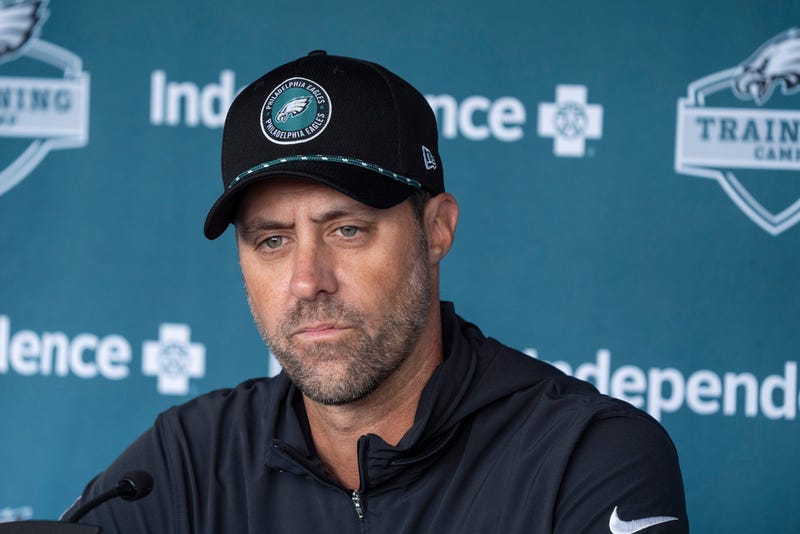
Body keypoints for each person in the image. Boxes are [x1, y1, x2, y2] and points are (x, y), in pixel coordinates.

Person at [65, 51, 688, 533]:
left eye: (348, 229)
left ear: (436, 229)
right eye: (273, 241)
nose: (308, 280)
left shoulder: (583, 455)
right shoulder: (187, 460)